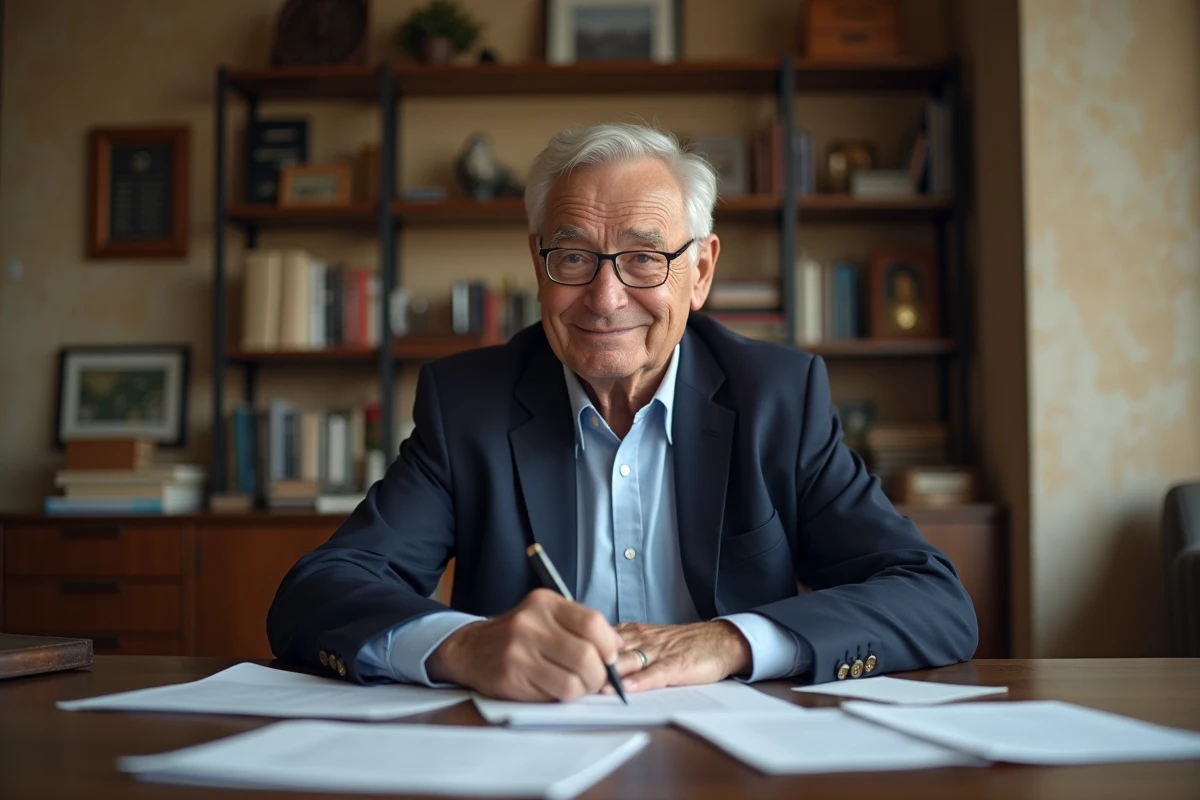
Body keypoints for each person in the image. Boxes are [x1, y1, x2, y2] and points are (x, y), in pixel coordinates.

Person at [267, 122, 978, 700]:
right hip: (524, 761)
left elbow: (933, 600)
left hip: (736, 762)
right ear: (538, 264)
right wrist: (463, 645)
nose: (605, 298)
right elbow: (317, 594)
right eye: (573, 258)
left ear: (699, 271)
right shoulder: (470, 405)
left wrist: (730, 641)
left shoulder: (777, 400)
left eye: (644, 258)